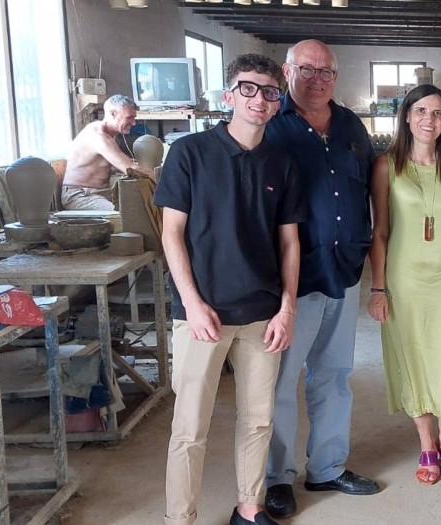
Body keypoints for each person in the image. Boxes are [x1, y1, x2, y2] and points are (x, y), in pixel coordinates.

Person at [157, 54, 304, 525]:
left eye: (269, 92)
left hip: (262, 315)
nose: (259, 99)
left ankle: (250, 506)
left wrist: (286, 310)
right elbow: (171, 234)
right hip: (204, 316)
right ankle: (180, 518)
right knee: (190, 428)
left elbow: (289, 242)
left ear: (278, 102)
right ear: (228, 95)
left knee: (258, 419)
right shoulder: (189, 153)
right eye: (249, 88)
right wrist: (193, 304)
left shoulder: (281, 163)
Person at [262, 39, 380, 519]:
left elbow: (373, 191)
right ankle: (277, 478)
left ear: (337, 76)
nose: (316, 79)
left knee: (334, 374)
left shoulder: (352, 125)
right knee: (281, 379)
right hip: (292, 278)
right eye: (306, 69)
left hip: (345, 270)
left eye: (326, 71)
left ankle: (327, 467)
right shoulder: (271, 123)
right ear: (289, 71)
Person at [367, 84, 441, 485]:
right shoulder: (386, 166)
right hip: (405, 280)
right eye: (420, 111)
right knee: (413, 358)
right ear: (406, 116)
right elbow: (380, 231)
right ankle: (426, 444)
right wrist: (378, 288)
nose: (428, 120)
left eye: (437, 113)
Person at [64, 94, 155, 210]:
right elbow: (131, 169)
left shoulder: (111, 135)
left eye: (134, 118)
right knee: (126, 216)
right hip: (80, 195)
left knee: (144, 207)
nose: (133, 123)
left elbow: (112, 167)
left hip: (102, 193)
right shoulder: (98, 136)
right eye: (129, 118)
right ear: (113, 113)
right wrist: (165, 181)